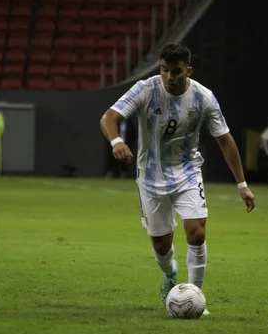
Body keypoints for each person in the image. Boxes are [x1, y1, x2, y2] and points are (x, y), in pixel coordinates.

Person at [99, 43, 256, 312]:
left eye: (175, 71)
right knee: (161, 245)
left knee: (196, 233)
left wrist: (242, 185)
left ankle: (196, 296)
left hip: (187, 171)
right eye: (164, 70)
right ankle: (170, 274)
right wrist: (116, 141)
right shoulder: (146, 89)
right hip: (150, 176)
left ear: (188, 70)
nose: (169, 77)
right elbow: (109, 116)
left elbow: (226, 142)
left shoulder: (203, 98)